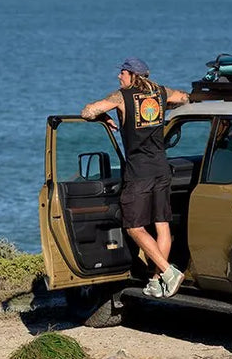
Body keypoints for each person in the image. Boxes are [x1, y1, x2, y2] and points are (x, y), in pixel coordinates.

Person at [81, 58, 190, 298]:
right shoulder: (161, 92)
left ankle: (168, 271)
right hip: (161, 167)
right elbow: (184, 97)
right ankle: (156, 281)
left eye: (121, 72)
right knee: (162, 225)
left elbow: (88, 111)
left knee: (133, 227)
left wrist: (104, 117)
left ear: (132, 74)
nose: (119, 77)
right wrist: (163, 108)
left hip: (138, 171)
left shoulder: (122, 96)